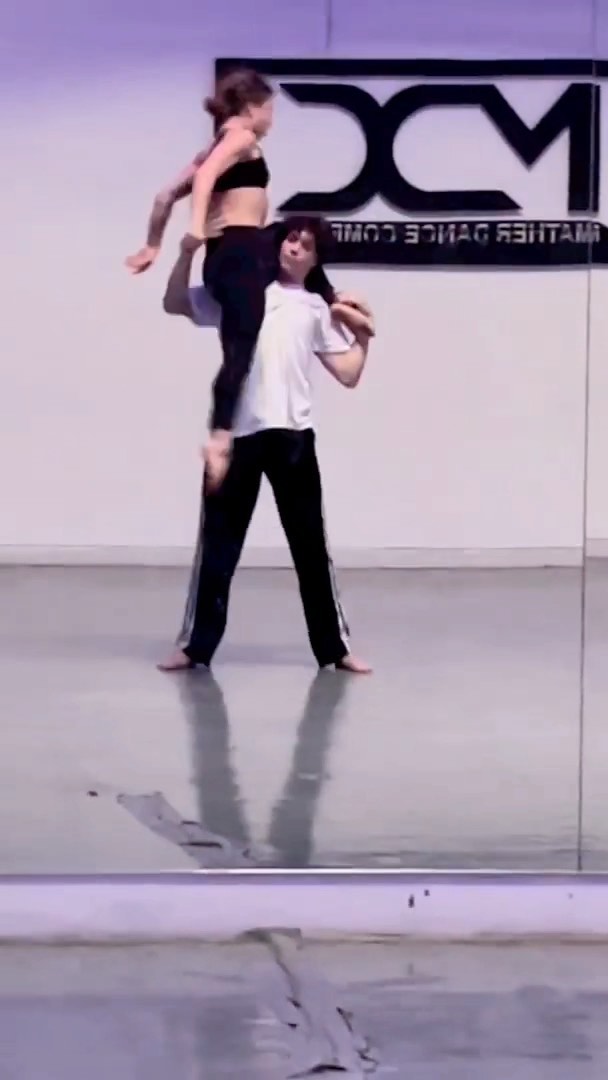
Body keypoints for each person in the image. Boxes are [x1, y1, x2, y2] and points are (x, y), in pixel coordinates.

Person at [158, 215, 374, 675]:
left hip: (294, 438)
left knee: (310, 547)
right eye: (291, 239)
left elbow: (348, 373)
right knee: (218, 547)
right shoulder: (242, 292)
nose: (294, 248)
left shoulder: (315, 307)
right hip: (237, 438)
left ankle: (334, 648)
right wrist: (187, 252)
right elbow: (174, 302)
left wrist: (363, 336)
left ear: (316, 260)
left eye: (306, 246)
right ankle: (195, 646)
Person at [125, 67, 341, 490]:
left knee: (295, 237)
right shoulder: (242, 138)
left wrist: (152, 245)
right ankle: (220, 437)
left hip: (229, 257)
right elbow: (206, 180)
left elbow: (163, 196)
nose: (272, 119)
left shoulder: (211, 148)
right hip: (241, 254)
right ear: (252, 107)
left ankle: (333, 299)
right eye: (270, 109)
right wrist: (195, 229)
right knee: (241, 348)